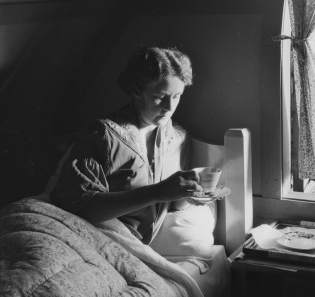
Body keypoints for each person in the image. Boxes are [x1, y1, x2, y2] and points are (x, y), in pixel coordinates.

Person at [51, 46, 205, 244]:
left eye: (176, 97)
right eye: (159, 97)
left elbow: (174, 206)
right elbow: (78, 206)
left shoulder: (177, 138)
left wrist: (188, 192)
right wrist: (157, 192)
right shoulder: (102, 135)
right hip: (98, 238)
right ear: (136, 91)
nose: (169, 107)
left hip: (137, 246)